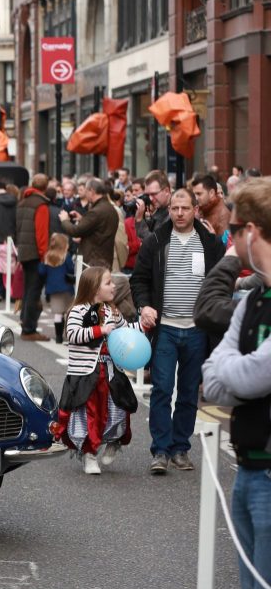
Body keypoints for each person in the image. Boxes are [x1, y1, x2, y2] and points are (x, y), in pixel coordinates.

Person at [201, 178, 271, 589]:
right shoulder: (254, 298)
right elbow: (213, 380)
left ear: (252, 232)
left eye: (235, 229)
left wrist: (238, 372)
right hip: (248, 467)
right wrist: (240, 373)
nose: (232, 240)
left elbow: (252, 374)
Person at [130, 188, 225, 475]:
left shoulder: (210, 243)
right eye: (175, 208)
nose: (180, 213)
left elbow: (222, 282)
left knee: (187, 392)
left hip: (197, 330)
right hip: (166, 329)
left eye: (185, 208)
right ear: (168, 210)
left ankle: (180, 447)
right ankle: (160, 449)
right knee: (161, 389)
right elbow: (139, 280)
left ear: (196, 209)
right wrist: (144, 306)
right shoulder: (156, 240)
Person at [54, 266, 141, 474]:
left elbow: (125, 331)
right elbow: (73, 334)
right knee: (92, 413)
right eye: (108, 282)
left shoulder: (112, 311)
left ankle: (115, 441)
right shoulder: (78, 310)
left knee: (120, 410)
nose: (114, 286)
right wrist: (99, 330)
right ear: (94, 288)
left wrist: (143, 326)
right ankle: (90, 454)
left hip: (111, 371)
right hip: (86, 374)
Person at [15, 173, 52, 340]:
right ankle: (29, 328)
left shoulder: (23, 202)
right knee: (34, 291)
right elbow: (41, 233)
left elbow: (18, 228)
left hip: (24, 250)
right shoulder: (41, 205)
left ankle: (25, 322)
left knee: (28, 289)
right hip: (35, 253)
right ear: (45, 187)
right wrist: (44, 255)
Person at [40, 233, 75, 342]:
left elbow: (42, 272)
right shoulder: (66, 256)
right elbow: (71, 269)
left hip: (53, 290)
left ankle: (58, 337)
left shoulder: (47, 256)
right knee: (68, 311)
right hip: (66, 288)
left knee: (58, 313)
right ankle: (68, 335)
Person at [193, 174, 231, 243]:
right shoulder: (202, 209)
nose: (196, 198)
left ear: (211, 193)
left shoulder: (223, 215)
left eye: (199, 194)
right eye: (194, 194)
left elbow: (224, 248)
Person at [136, 170, 172, 241]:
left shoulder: (175, 212)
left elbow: (156, 242)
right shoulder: (160, 208)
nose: (150, 198)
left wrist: (140, 220)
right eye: (147, 194)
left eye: (154, 194)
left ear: (166, 191)